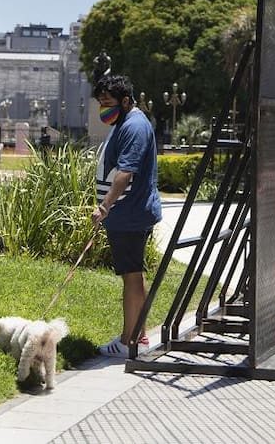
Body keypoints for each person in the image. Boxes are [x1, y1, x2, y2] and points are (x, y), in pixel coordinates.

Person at [90, 75, 162, 358]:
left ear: (126, 100)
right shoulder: (126, 122)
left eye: (107, 103)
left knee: (131, 276)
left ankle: (128, 342)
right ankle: (137, 337)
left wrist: (104, 206)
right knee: (134, 274)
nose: (103, 109)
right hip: (127, 215)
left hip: (128, 214)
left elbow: (125, 172)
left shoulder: (133, 126)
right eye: (100, 103)